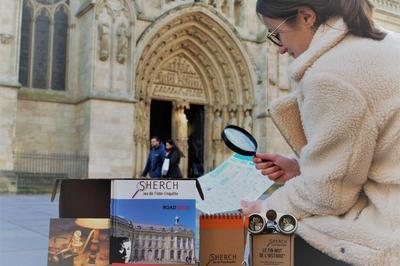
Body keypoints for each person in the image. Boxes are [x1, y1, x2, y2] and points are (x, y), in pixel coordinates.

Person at [241, 1, 400, 265]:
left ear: (306, 17)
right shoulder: (386, 42)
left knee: (276, 239)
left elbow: (330, 195)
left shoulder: (331, 74)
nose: (279, 48)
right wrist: (302, 169)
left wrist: (266, 210)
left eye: (276, 33)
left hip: (390, 231)